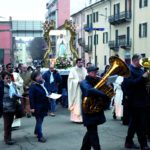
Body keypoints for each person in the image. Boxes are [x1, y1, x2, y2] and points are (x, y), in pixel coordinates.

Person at [122, 54, 150, 150]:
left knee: (135, 124)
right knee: (140, 124)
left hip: (143, 100)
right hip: (133, 102)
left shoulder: (141, 70)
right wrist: (142, 78)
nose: (142, 63)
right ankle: (143, 145)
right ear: (135, 61)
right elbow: (129, 84)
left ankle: (129, 141)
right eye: (140, 61)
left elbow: (142, 82)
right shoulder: (128, 71)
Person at [80, 66, 109, 150]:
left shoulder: (98, 81)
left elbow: (105, 89)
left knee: (91, 132)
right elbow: (89, 90)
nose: (96, 74)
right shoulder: (84, 82)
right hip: (88, 110)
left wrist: (107, 85)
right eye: (93, 72)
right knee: (93, 133)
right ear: (89, 73)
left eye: (96, 72)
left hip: (96, 110)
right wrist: (103, 94)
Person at [29, 71, 49, 143]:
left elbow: (46, 91)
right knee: (39, 121)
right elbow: (31, 98)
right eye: (38, 76)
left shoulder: (42, 84)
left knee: (40, 120)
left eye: (40, 75)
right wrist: (32, 108)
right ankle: (40, 136)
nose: (40, 76)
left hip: (43, 105)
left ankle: (36, 132)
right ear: (34, 78)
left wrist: (44, 83)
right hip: (38, 106)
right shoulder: (33, 86)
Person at [0, 72, 19, 145]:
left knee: (10, 124)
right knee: (7, 124)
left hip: (13, 106)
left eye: (9, 78)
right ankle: (7, 139)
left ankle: (9, 137)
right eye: (6, 78)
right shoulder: (1, 86)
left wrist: (17, 96)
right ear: (3, 79)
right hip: (6, 108)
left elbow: (16, 92)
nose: (8, 80)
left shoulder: (13, 85)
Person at [68, 58, 87, 123]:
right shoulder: (73, 70)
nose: (81, 63)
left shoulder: (84, 69)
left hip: (84, 88)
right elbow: (70, 80)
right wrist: (77, 81)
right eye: (79, 62)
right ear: (76, 63)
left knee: (83, 102)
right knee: (77, 103)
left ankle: (83, 118)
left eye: (82, 62)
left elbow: (86, 77)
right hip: (76, 89)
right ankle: (76, 118)